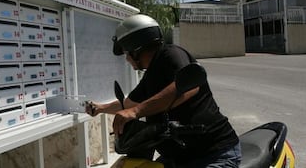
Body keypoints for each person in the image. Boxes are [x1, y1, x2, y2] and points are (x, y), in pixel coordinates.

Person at [85, 14, 241, 167]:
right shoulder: (151, 74)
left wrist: (136, 111)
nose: (126, 59)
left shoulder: (172, 54)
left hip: (215, 154)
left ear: (136, 49)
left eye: (127, 53)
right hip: (181, 157)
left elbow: (188, 88)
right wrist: (100, 108)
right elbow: (129, 104)